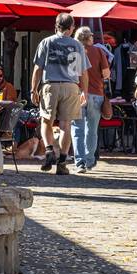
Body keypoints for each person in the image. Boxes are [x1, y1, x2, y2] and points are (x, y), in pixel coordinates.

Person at [31, 12, 88, 176]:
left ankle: (49, 150)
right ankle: (62, 162)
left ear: (56, 26)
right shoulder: (76, 45)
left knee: (46, 121)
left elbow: (38, 68)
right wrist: (83, 90)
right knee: (65, 125)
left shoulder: (46, 42)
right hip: (70, 86)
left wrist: (33, 89)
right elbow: (81, 71)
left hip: (50, 85)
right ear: (71, 28)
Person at [71, 26, 112, 173]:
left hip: (77, 94)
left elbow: (73, 75)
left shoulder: (74, 53)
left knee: (77, 128)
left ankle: (79, 162)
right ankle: (89, 161)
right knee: (92, 130)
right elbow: (106, 74)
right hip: (97, 95)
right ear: (89, 38)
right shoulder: (99, 51)